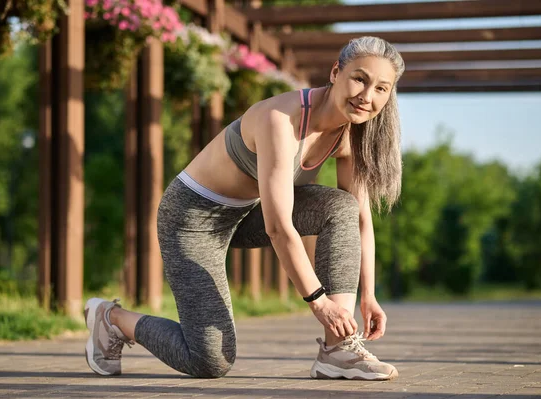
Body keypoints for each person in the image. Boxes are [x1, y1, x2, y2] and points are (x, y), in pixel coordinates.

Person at [84, 36, 404, 381]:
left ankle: (338, 350)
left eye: (381, 89)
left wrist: (368, 296)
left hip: (246, 214)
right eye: (359, 79)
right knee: (210, 363)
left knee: (342, 206)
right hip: (193, 220)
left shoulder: (350, 135)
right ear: (335, 72)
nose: (367, 96)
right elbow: (279, 228)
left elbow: (358, 220)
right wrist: (318, 301)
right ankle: (111, 319)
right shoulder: (280, 120)